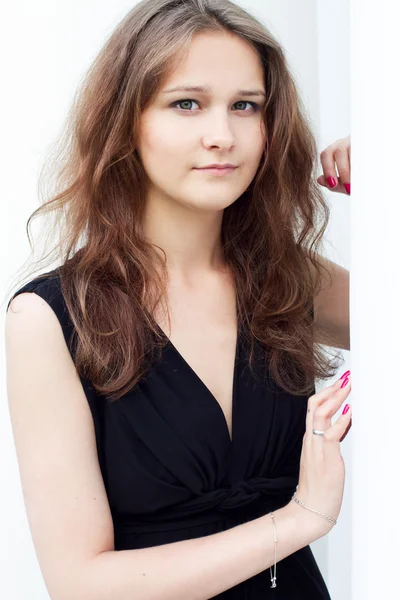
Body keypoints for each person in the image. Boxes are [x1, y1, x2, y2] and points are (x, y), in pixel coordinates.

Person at [5, 1, 352, 598]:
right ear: (126, 121)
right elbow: (80, 584)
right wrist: (301, 521)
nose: (222, 135)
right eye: (186, 103)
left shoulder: (286, 280)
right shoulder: (52, 317)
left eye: (246, 105)